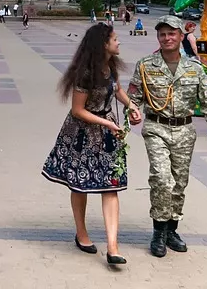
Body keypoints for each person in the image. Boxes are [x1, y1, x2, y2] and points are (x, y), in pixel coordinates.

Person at [42, 24, 139, 266]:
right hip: (82, 134)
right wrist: (106, 123)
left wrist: (131, 106)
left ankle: (113, 247)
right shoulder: (86, 72)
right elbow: (77, 110)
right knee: (80, 185)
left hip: (107, 133)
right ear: (102, 44)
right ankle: (81, 233)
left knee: (111, 185)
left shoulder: (110, 67)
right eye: (114, 39)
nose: (119, 43)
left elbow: (117, 90)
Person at [127, 15, 207, 258]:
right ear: (158, 37)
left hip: (184, 130)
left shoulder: (195, 69)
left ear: (181, 36)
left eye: (172, 33)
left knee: (179, 182)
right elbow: (133, 98)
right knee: (161, 178)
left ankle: (172, 229)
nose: (167, 38)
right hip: (156, 129)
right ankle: (158, 231)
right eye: (162, 34)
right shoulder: (145, 65)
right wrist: (133, 111)